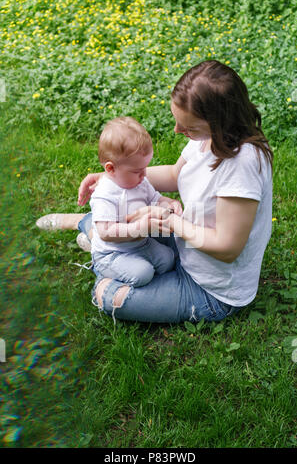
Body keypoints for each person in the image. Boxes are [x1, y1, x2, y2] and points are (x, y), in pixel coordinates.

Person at [37, 60, 273, 324]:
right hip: (187, 243)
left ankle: (96, 245)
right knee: (119, 219)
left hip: (212, 288)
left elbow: (227, 248)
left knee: (108, 295)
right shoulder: (210, 138)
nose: (178, 131)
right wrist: (113, 177)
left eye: (189, 127)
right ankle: (85, 227)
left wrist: (171, 221)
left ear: (218, 122)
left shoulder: (242, 166)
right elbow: (175, 174)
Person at [88, 116, 182, 288]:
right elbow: (106, 231)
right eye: (137, 171)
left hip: (141, 244)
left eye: (145, 168)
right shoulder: (105, 194)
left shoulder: (140, 182)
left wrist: (168, 203)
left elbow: (155, 199)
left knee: (168, 259)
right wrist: (138, 228)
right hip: (113, 253)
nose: (144, 175)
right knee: (143, 273)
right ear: (111, 168)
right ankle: (102, 272)